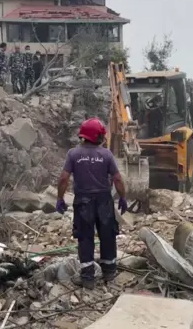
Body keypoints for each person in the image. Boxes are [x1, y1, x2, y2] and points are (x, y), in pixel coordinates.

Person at [56, 118, 127, 289]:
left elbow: (64, 178)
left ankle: (88, 278)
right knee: (107, 235)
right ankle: (109, 271)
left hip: (83, 201)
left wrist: (60, 198)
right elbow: (117, 178)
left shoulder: (73, 154)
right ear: (98, 136)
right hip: (104, 200)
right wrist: (123, 197)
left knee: (85, 238)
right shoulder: (106, 154)